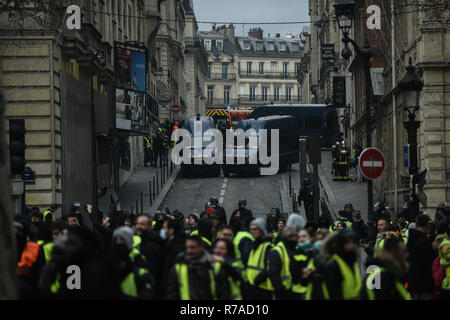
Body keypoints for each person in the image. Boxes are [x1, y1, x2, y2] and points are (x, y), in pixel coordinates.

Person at [361, 232, 412, 300]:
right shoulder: (381, 277)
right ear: (393, 252)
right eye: (403, 251)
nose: (407, 254)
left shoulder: (392, 272)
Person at [268, 227, 307, 300]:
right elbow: (273, 275)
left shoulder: (296, 248)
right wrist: (284, 291)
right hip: (284, 293)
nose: (298, 238)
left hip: (297, 292)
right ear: (289, 237)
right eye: (296, 236)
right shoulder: (277, 251)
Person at [323, 229, 362, 300]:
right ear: (340, 244)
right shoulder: (334, 265)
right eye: (347, 242)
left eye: (353, 242)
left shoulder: (352, 261)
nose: (351, 245)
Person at [14, 217, 45, 299]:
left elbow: (40, 274)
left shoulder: (35, 248)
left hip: (30, 292)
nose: (15, 233)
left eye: (18, 230)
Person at [407, 214, 435, 300]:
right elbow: (429, 265)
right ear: (427, 225)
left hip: (412, 284)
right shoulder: (425, 242)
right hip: (424, 285)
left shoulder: (410, 240)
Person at [244, 218, 274, 300]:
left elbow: (269, 268)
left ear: (261, 230)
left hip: (262, 289)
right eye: (251, 229)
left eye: (255, 229)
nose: (252, 231)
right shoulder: (254, 245)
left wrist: (256, 281)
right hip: (252, 288)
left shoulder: (267, 247)